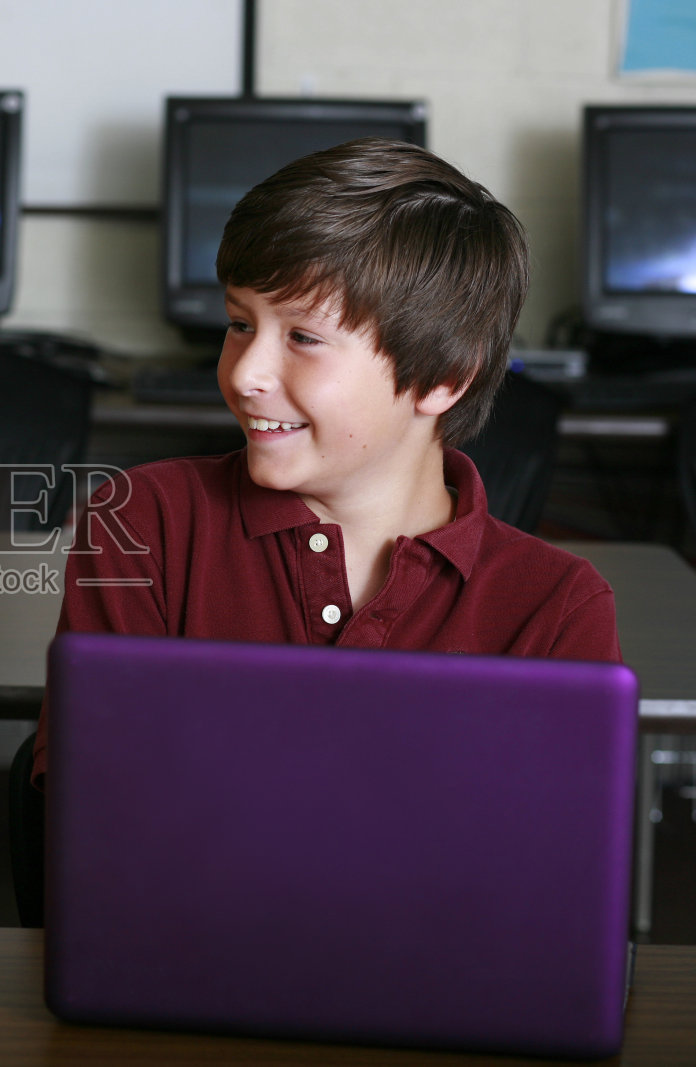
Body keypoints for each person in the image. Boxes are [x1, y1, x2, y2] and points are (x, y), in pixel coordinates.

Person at [33, 138, 619, 785]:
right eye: (239, 324)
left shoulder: (558, 608)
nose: (246, 372)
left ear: (446, 375)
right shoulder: (146, 524)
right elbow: (95, 806)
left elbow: (553, 860)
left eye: (303, 337)